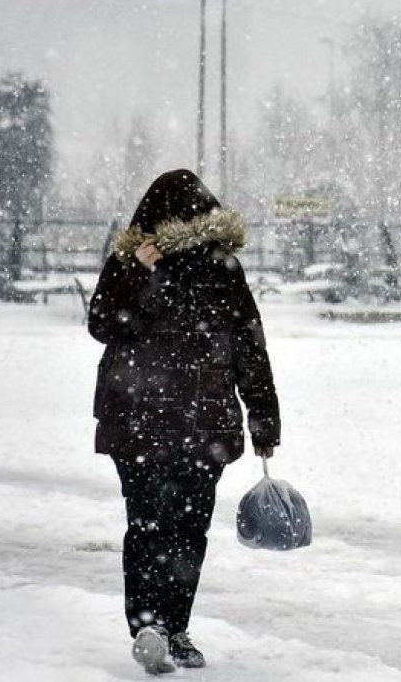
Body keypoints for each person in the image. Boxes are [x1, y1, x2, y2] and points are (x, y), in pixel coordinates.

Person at [88, 169, 280, 675]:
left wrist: (134, 272)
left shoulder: (208, 267)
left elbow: (243, 341)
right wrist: (262, 416)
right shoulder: (169, 264)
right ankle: (165, 626)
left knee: (152, 525)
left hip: (150, 419)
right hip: (185, 420)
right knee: (184, 529)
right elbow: (249, 348)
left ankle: (157, 624)